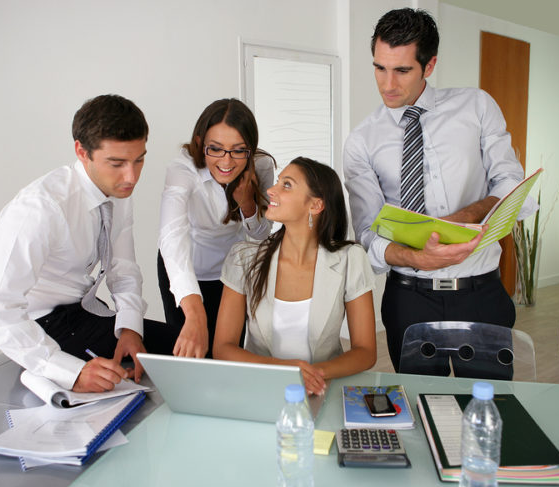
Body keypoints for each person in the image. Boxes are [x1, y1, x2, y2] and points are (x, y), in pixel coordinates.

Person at [343, 8, 537, 373]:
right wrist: (418, 258)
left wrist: (459, 219)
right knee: (420, 408)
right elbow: (368, 235)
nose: (387, 84)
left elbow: (511, 183)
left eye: (402, 70)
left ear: (429, 66)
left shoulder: (477, 106)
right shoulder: (361, 141)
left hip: (480, 292)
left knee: (487, 406)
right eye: (379, 67)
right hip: (408, 299)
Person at [0, 94, 177, 393]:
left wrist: (131, 327)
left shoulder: (117, 189)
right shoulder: (38, 209)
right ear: (81, 152)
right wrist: (70, 371)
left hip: (86, 310)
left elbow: (122, 267)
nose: (131, 176)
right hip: (41, 326)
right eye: (117, 163)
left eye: (139, 159)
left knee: (190, 354)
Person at [214, 157, 377, 395]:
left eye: (287, 185)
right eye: (278, 182)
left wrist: (313, 375)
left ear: (315, 205)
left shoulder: (351, 259)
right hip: (259, 390)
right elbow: (223, 347)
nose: (271, 190)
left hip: (322, 389)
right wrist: (284, 369)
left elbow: (365, 351)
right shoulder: (244, 258)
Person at [157, 98, 274, 359]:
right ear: (200, 143)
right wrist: (194, 309)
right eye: (216, 149)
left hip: (232, 270)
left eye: (238, 150)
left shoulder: (262, 166)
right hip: (186, 268)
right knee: (190, 352)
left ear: (250, 148)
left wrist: (246, 204)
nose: (227, 161)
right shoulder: (182, 170)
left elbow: (261, 235)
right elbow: (171, 238)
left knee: (226, 352)